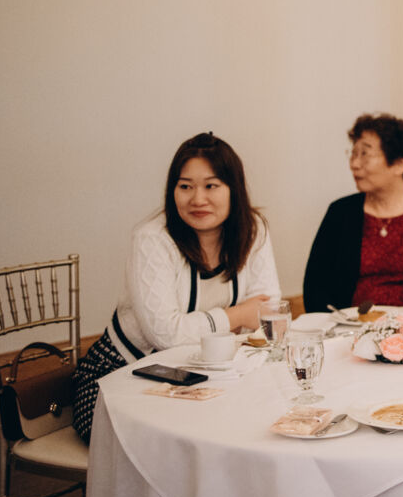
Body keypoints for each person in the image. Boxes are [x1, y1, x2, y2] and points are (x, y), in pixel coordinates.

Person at [72, 132, 280, 441]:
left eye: (211, 186)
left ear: (233, 189)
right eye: (185, 186)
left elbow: (269, 312)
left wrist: (240, 322)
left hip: (208, 377)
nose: (197, 199)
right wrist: (238, 315)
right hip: (124, 376)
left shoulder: (253, 229)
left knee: (257, 427)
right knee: (180, 443)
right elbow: (166, 335)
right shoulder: (153, 239)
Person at [302, 113, 403, 312]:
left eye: (365, 154)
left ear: (399, 164)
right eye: (353, 154)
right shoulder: (340, 213)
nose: (354, 164)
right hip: (348, 325)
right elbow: (314, 288)